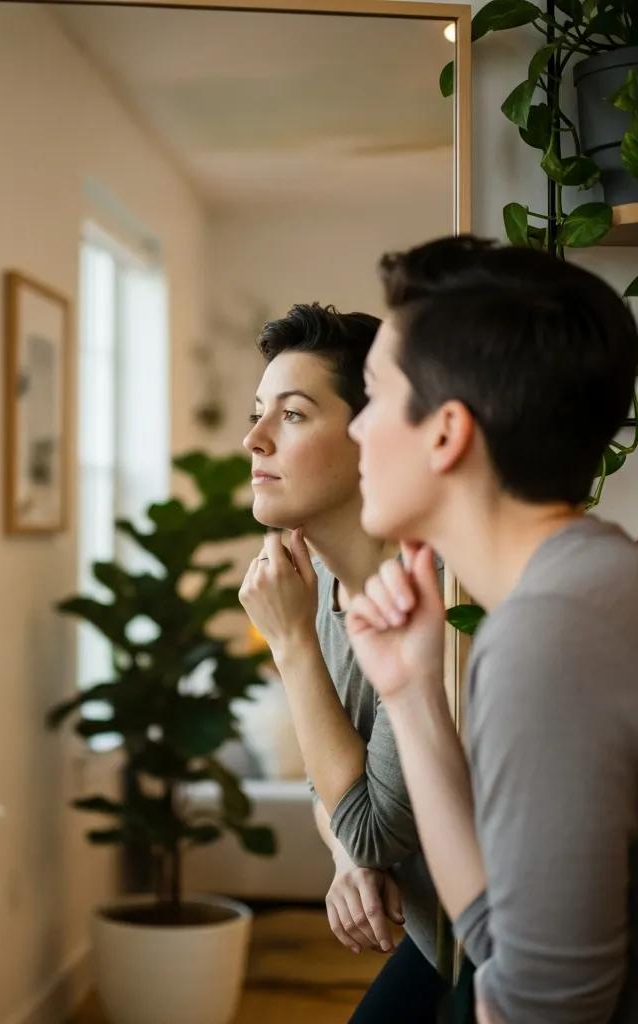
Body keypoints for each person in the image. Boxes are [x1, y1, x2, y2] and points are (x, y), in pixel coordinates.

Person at [337, 235, 638, 1023]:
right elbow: (502, 941)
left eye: (372, 398)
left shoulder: (555, 636)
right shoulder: (584, 588)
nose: (357, 432)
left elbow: (542, 1014)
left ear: (446, 432)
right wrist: (407, 691)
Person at [238, 303, 446, 1023]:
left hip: (510, 943)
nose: (253, 438)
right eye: (259, 412)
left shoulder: (433, 597)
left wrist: (290, 644)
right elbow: (327, 779)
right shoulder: (317, 581)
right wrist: (345, 862)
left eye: (291, 416)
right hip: (436, 931)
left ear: (371, 437)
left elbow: (372, 826)